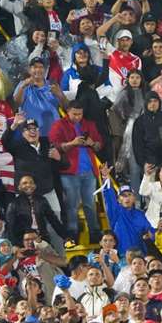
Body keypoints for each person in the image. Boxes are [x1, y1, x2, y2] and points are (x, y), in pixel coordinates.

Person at [49, 99, 103, 242]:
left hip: (89, 171)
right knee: (72, 204)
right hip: (69, 171)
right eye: (75, 114)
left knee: (90, 204)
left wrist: (92, 143)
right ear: (68, 112)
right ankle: (72, 233)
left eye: (80, 114)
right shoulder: (59, 125)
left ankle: (95, 232)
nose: (78, 117)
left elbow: (99, 145)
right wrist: (72, 143)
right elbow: (54, 145)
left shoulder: (89, 124)